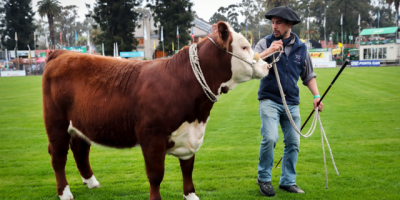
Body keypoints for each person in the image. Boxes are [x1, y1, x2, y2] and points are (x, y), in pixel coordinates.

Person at [254, 6, 323, 197]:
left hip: (291, 102)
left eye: (278, 23)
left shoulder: (301, 48)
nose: (274, 26)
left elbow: (308, 75)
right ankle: (264, 179)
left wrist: (316, 97)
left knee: (293, 142)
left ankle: (288, 181)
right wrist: (270, 50)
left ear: (289, 25)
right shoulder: (265, 42)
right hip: (269, 99)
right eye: (273, 22)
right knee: (270, 137)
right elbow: (251, 63)